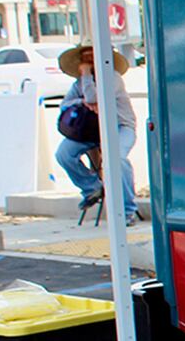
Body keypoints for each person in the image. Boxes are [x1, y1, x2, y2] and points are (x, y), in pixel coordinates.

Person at [55, 44, 139, 225]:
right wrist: (83, 100)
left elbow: (94, 97)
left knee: (117, 158)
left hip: (120, 128)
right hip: (91, 131)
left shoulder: (113, 78)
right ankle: (91, 187)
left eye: (92, 57)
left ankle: (128, 210)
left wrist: (88, 87)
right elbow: (65, 104)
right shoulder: (78, 84)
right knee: (63, 154)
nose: (88, 62)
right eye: (85, 58)